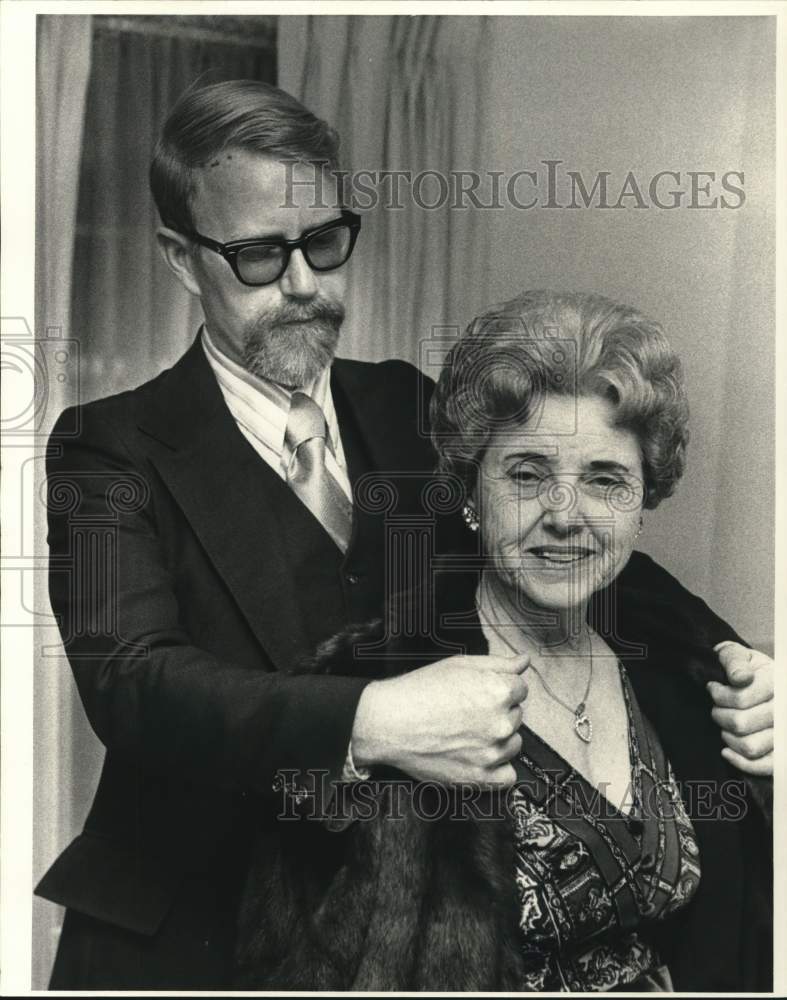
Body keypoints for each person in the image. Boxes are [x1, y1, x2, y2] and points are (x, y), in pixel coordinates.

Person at [36, 81, 773, 989]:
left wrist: (735, 658)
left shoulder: (407, 406)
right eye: (260, 256)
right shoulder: (103, 448)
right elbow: (133, 683)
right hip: (183, 936)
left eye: (323, 243)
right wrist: (370, 720)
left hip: (387, 939)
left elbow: (565, 538)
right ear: (180, 258)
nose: (304, 285)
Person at [234, 290, 772, 993]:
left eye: (605, 479)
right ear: (468, 490)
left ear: (643, 503)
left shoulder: (684, 673)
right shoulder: (379, 688)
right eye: (526, 475)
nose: (563, 515)